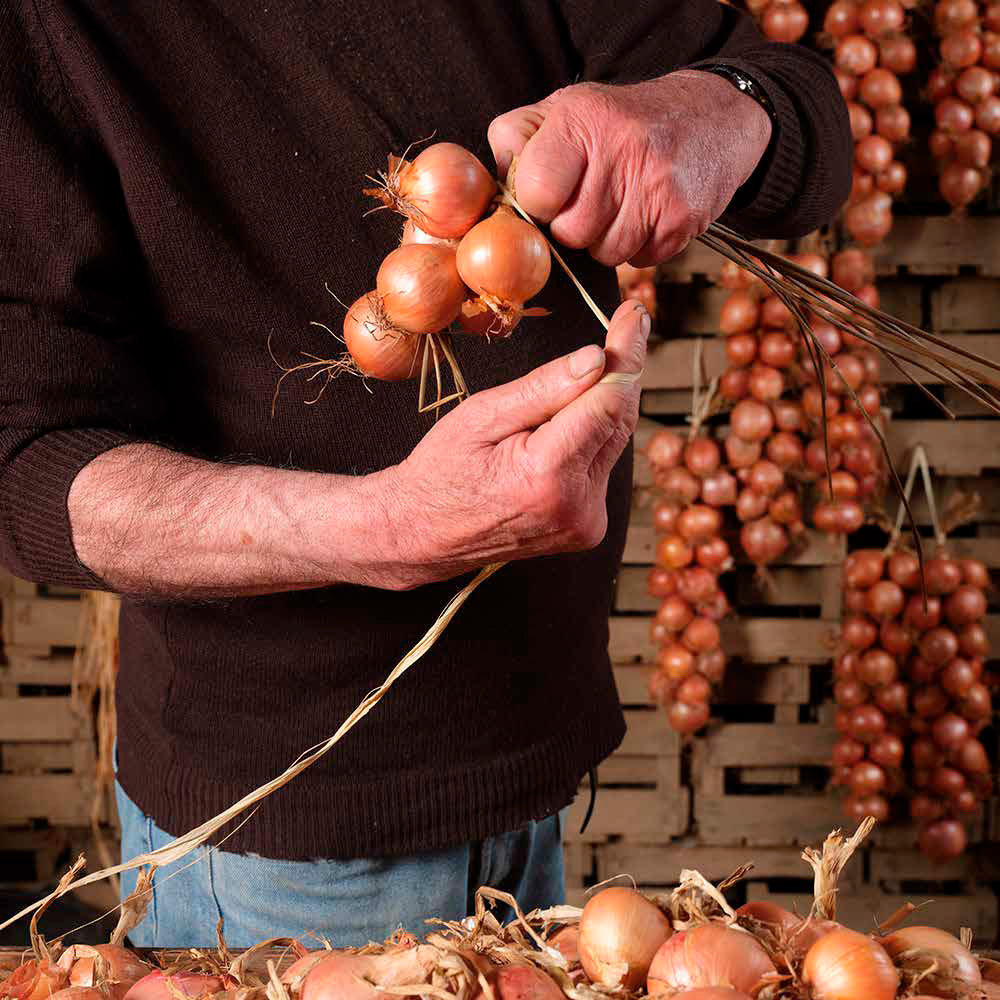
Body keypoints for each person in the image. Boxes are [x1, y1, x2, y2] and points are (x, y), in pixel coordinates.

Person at [0, 1, 851, 946]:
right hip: (287, 827)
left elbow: (801, 102)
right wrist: (387, 526)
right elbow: (25, 457)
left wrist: (717, 109)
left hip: (539, 753)